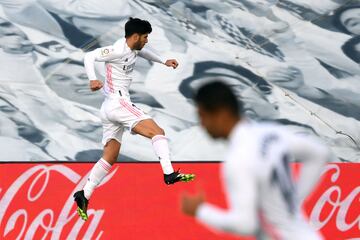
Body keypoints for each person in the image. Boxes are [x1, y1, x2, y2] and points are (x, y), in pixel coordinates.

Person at [73, 17, 195, 221]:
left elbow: (142, 51)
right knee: (158, 132)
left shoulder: (133, 48)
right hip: (118, 103)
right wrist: (93, 79)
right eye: (145, 37)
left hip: (110, 108)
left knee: (110, 156)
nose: (147, 40)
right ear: (135, 36)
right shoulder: (117, 49)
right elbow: (90, 56)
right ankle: (169, 173)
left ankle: (84, 193)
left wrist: (164, 60)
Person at [181, 81, 330, 239]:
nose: (202, 125)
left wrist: (200, 211)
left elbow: (246, 225)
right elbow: (319, 153)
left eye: (203, 116)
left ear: (221, 113)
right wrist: (293, 201)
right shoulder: (270, 133)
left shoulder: (239, 159)